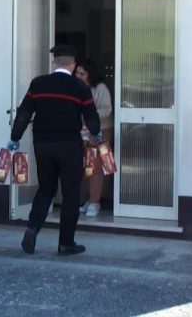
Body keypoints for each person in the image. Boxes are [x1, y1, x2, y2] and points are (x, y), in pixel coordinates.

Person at [8, 44, 101, 256]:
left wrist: (14, 138)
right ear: (73, 64)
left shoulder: (38, 84)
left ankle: (32, 229)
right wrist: (96, 134)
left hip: (42, 145)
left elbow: (23, 113)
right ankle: (66, 243)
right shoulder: (80, 87)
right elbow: (91, 117)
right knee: (70, 194)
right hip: (69, 146)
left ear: (54, 63)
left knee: (46, 189)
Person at [73, 59, 113, 218]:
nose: (78, 76)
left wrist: (89, 116)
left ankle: (95, 202)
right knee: (85, 167)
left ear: (90, 75)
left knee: (97, 167)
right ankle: (90, 200)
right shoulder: (74, 87)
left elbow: (107, 109)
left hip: (101, 130)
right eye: (77, 72)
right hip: (82, 131)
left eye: (82, 73)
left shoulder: (100, 88)